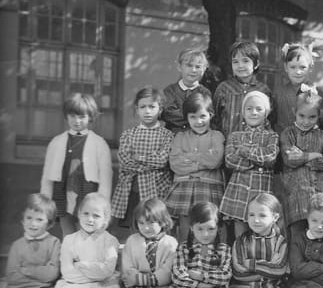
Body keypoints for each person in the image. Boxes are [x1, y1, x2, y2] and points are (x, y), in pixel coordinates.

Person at [41, 93, 112, 238]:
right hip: (63, 194)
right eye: (72, 116)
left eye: (82, 116)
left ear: (90, 117)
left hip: (88, 195)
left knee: (88, 236)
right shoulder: (57, 142)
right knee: (68, 237)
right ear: (66, 116)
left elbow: (105, 179)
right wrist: (44, 203)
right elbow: (47, 176)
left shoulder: (99, 143)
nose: (77, 121)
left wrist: (103, 207)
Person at [164, 91, 225, 242]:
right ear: (187, 118)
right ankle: (184, 253)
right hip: (184, 186)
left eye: (202, 116)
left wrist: (190, 157)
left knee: (207, 222)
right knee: (185, 226)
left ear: (211, 115)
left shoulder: (217, 136)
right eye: (193, 117)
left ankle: (208, 254)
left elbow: (215, 160)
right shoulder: (180, 137)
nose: (198, 121)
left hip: (209, 186)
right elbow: (175, 164)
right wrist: (203, 161)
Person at [219, 91, 279, 240]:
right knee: (240, 230)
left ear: (266, 113)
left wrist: (245, 151)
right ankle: (240, 253)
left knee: (261, 227)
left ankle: (259, 254)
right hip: (239, 188)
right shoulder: (235, 136)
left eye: (259, 109)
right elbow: (230, 161)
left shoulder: (272, 136)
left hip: (261, 187)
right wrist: (256, 162)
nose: (254, 112)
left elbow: (270, 158)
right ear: (243, 112)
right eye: (249, 108)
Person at [278, 90, 323, 241]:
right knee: (297, 238)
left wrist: (302, 157)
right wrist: (314, 155)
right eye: (301, 116)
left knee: (319, 237)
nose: (306, 121)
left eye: (312, 117)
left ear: (319, 115)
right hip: (295, 195)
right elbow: (290, 159)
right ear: (294, 112)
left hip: (319, 194)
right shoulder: (288, 134)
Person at [111, 87, 173, 224]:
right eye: (143, 107)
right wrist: (150, 161)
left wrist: (138, 158)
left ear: (160, 109)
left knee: (155, 223)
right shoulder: (128, 134)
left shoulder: (166, 135)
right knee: (134, 225)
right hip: (132, 189)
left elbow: (161, 161)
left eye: (152, 107)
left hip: (157, 189)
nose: (147, 111)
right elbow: (125, 161)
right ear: (137, 109)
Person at [213, 41, 273, 138]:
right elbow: (215, 117)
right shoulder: (224, 88)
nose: (240, 65)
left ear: (256, 64)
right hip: (227, 143)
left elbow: (270, 119)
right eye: (235, 62)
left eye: (245, 61)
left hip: (255, 144)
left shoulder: (263, 90)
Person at [160, 48, 211, 133]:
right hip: (173, 134)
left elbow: (209, 115)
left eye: (198, 67)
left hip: (197, 135)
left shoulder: (204, 92)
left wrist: (195, 117)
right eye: (189, 66)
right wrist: (195, 116)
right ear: (179, 67)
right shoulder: (170, 91)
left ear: (204, 69)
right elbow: (169, 114)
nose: (193, 70)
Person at [272, 43, 318, 133]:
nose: (298, 72)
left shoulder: (316, 92)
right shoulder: (279, 92)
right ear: (286, 67)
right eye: (293, 67)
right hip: (282, 137)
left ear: (310, 67)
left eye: (302, 67)